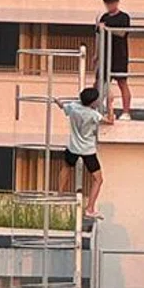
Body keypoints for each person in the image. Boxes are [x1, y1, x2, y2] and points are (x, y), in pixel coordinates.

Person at [54, 87, 113, 218]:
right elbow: (110, 121)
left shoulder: (73, 107)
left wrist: (57, 101)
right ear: (92, 102)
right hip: (87, 150)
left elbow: (62, 106)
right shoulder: (93, 114)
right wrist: (110, 104)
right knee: (98, 179)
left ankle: (60, 194)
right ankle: (90, 208)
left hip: (73, 147)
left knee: (66, 167)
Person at [95, 0, 132, 121]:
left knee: (122, 82)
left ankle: (126, 112)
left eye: (111, 3)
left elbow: (122, 33)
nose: (109, 6)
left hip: (119, 55)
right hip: (105, 55)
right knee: (99, 83)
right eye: (107, 4)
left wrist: (107, 27)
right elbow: (98, 36)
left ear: (117, 2)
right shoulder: (104, 17)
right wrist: (97, 54)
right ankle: (98, 108)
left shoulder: (124, 17)